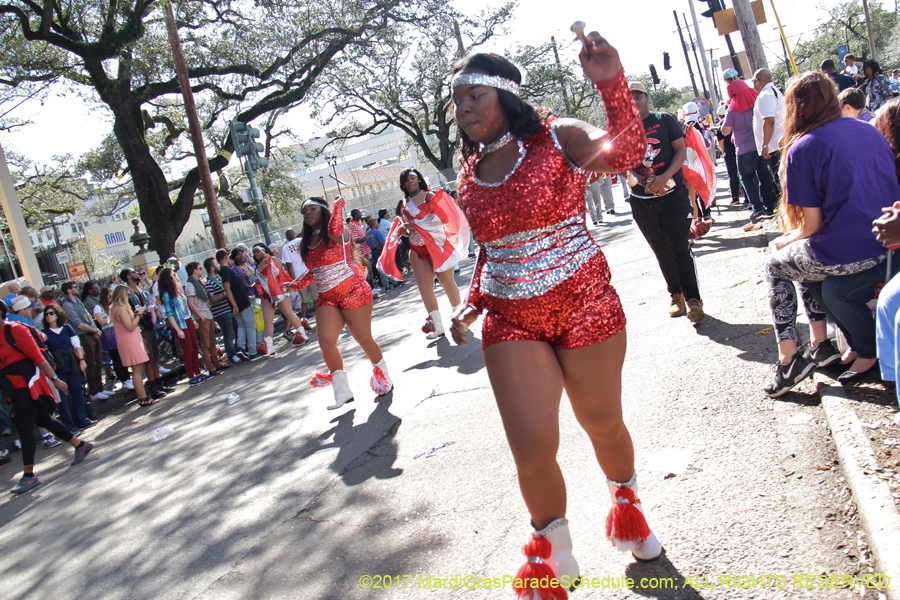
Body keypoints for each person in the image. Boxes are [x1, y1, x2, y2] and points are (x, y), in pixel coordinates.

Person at [449, 37, 661, 595]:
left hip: (583, 303)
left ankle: (628, 506)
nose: (464, 107)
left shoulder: (557, 136)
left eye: (475, 95)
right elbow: (493, 249)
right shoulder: (467, 173)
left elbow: (628, 154)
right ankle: (555, 554)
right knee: (532, 446)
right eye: (457, 100)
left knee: (602, 424)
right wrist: (470, 301)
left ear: (507, 96)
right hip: (511, 320)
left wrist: (611, 83)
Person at [763, 72, 892, 397]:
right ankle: (829, 345)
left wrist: (785, 240)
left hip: (851, 250)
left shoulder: (802, 148)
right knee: (818, 279)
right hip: (889, 243)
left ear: (795, 108)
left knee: (775, 264)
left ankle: (789, 358)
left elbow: (810, 227)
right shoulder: (869, 129)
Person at [287, 196, 393, 409]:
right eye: (304, 211)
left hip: (353, 290)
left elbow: (334, 232)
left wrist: (337, 207)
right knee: (325, 340)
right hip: (326, 297)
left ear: (323, 210)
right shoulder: (307, 241)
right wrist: (295, 285)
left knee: (362, 338)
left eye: (312, 209)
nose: (307, 213)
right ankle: (342, 391)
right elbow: (317, 271)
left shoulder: (339, 230)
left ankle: (383, 376)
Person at [628, 81, 705, 321]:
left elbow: (680, 151)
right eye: (629, 98)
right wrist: (642, 181)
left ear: (646, 98)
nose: (635, 100)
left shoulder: (664, 120)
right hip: (643, 202)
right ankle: (676, 295)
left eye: (638, 96)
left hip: (674, 197)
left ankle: (693, 300)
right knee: (662, 251)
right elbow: (620, 167)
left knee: (678, 246)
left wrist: (664, 177)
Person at [0, 301, 93, 494]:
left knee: (24, 427)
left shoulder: (15, 330)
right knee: (43, 419)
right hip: (13, 386)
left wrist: (54, 379)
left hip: (29, 383)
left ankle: (28, 476)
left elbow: (37, 357)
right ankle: (81, 445)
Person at [397, 168, 466, 338]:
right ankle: (437, 325)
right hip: (416, 248)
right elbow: (408, 228)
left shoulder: (429, 196)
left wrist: (417, 224)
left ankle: (459, 318)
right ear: (403, 184)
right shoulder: (404, 204)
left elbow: (443, 218)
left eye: (412, 178)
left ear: (419, 179)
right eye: (406, 180)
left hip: (435, 245)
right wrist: (403, 231)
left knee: (447, 282)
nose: (410, 182)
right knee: (424, 288)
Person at [722, 73, 777, 222]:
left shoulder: (732, 110)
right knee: (764, 176)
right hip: (760, 145)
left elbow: (725, 131)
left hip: (744, 148)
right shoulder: (756, 103)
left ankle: (757, 207)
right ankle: (769, 206)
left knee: (746, 177)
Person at [41, 304, 96, 432]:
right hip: (57, 367)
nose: (48, 316)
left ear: (58, 314)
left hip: (72, 364)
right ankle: (69, 426)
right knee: (63, 398)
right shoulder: (44, 333)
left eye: (51, 313)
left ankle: (83, 420)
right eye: (46, 314)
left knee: (77, 393)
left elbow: (76, 345)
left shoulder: (67, 328)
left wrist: (81, 360)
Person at [251, 243, 309, 356]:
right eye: (254, 252)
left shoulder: (272, 259)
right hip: (267, 295)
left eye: (257, 251)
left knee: (288, 313)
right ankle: (269, 346)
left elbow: (278, 272)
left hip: (278, 291)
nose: (255, 254)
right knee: (267, 320)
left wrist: (268, 260)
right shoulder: (258, 265)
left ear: (263, 250)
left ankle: (301, 333)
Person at [120, 268, 169, 398]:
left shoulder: (142, 291)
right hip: (141, 328)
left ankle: (159, 384)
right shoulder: (127, 294)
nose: (138, 274)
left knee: (154, 357)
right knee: (148, 359)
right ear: (128, 277)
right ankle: (152, 387)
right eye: (134, 272)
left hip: (150, 324)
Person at [158, 268, 207, 386]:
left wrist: (192, 319)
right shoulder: (166, 294)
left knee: (195, 347)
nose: (175, 275)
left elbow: (185, 307)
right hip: (180, 324)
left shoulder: (178, 290)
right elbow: (169, 314)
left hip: (188, 320)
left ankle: (198, 372)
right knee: (188, 350)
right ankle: (191, 376)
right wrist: (178, 329)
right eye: (172, 274)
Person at [61, 281, 108, 401]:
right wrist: (93, 330)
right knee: (91, 363)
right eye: (75, 287)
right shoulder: (67, 305)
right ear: (69, 290)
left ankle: (100, 387)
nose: (78, 288)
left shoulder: (78, 302)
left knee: (98, 362)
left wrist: (95, 330)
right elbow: (78, 324)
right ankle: (94, 391)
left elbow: (89, 317)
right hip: (84, 336)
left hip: (92, 334)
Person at [110, 285, 155, 405]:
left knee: (137, 370)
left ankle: (142, 397)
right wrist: (139, 314)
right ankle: (143, 398)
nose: (129, 296)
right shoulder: (120, 308)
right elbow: (130, 327)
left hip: (128, 340)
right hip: (130, 341)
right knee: (137, 371)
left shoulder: (115, 309)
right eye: (128, 295)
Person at [185, 261, 227, 376]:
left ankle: (217, 364)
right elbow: (191, 303)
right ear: (194, 271)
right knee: (205, 344)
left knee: (212, 341)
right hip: (202, 316)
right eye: (199, 268)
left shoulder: (198, 282)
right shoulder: (190, 285)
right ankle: (210, 367)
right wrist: (200, 316)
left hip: (208, 314)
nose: (201, 270)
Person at [222, 249, 262, 361]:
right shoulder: (230, 270)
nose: (242, 256)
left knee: (243, 325)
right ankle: (252, 351)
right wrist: (234, 305)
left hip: (251, 295)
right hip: (243, 301)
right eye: (239, 255)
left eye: (243, 254)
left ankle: (241, 348)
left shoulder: (242, 266)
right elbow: (227, 289)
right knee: (250, 325)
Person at [752, 68, 785, 192]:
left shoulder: (766, 95)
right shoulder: (773, 91)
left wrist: (764, 145)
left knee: (780, 180)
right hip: (776, 143)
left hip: (774, 145)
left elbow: (769, 121)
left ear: (757, 81)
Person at [203, 258, 238, 365]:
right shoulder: (208, 282)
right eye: (216, 264)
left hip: (229, 309)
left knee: (237, 330)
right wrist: (224, 294)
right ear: (212, 268)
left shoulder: (220, 278)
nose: (219, 265)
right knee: (228, 335)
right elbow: (211, 300)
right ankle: (232, 355)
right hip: (221, 313)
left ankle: (239, 350)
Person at [96, 286, 132, 390]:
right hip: (108, 333)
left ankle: (127, 377)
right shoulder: (98, 307)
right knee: (116, 357)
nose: (111, 298)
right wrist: (111, 317)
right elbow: (101, 322)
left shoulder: (114, 306)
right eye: (109, 296)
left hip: (118, 330)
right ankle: (124, 380)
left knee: (123, 356)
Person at [280, 228, 315, 325]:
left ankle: (303, 318)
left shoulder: (286, 248)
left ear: (287, 237)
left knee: (305, 300)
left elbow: (289, 265)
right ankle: (320, 317)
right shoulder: (302, 241)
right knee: (316, 297)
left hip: (298, 276)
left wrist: (293, 281)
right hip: (310, 272)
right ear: (295, 234)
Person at [715, 103, 742, 205]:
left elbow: (720, 142)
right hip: (740, 148)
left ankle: (735, 197)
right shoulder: (738, 120)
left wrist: (724, 152)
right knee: (744, 174)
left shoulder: (722, 124)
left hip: (729, 152)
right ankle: (748, 198)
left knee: (732, 175)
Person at [365, 217, 391, 291]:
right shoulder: (377, 232)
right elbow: (382, 242)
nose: (378, 224)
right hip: (381, 250)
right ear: (374, 224)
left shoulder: (368, 234)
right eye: (377, 222)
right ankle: (395, 282)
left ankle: (386, 285)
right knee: (387, 266)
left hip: (374, 252)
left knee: (380, 269)